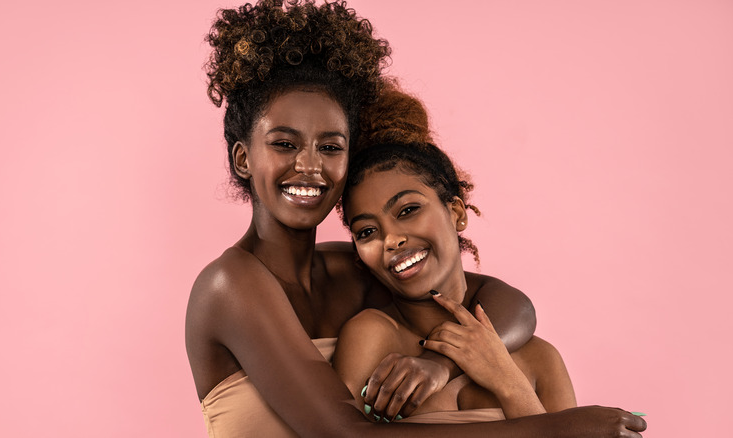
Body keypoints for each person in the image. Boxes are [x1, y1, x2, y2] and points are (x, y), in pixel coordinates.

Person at [185, 1, 646, 436]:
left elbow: (507, 302)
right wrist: (555, 429)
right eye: (284, 143)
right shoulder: (230, 285)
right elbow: (345, 434)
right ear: (243, 158)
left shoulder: (356, 268)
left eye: (330, 147)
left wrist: (445, 364)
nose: (310, 165)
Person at [333, 85, 579, 424]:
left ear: (457, 213)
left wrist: (507, 383)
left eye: (408, 210)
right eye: (367, 232)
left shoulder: (541, 359)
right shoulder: (374, 336)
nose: (391, 239)